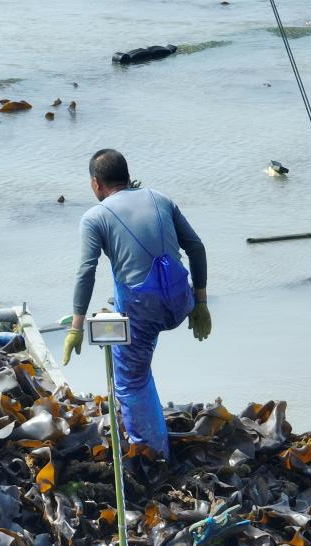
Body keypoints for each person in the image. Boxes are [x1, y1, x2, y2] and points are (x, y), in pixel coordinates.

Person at [63, 149, 211, 458]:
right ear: (128, 176)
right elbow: (196, 248)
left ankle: (152, 453)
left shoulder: (95, 217)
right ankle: (155, 428)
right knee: (140, 361)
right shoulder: (160, 199)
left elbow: (86, 271)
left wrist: (76, 327)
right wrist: (201, 303)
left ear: (95, 183)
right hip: (180, 302)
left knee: (131, 381)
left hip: (143, 309)